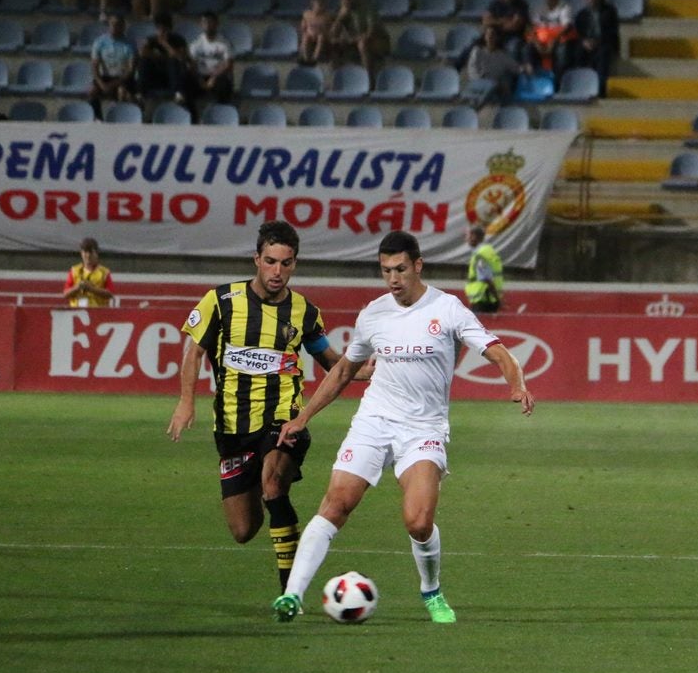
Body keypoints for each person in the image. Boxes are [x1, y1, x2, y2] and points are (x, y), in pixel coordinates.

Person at [270, 230, 534, 624]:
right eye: (385, 271)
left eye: (400, 269)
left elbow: (496, 350)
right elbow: (344, 369)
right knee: (336, 502)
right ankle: (292, 596)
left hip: (423, 427)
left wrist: (517, 384)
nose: (393, 279)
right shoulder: (374, 313)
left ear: (418, 266)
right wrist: (304, 416)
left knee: (419, 520)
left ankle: (432, 591)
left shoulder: (448, 309)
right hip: (374, 420)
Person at [166, 221, 347, 591]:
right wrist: (186, 401)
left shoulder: (304, 312)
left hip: (282, 419)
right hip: (232, 427)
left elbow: (331, 361)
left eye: (286, 262)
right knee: (243, 529)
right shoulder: (220, 300)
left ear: (295, 264)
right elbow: (194, 350)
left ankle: (289, 591)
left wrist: (367, 369)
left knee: (273, 483)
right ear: (256, 260)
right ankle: (288, 552)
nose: (278, 271)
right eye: (271, 261)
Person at [573, 0, 620, 87]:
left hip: (604, 42)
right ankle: (580, 84)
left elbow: (612, 32)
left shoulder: (609, 11)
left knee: (603, 53)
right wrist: (584, 41)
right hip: (587, 42)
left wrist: (597, 42)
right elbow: (577, 32)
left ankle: (600, 86)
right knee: (578, 51)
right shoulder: (581, 14)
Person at [90, 14, 138, 116]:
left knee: (122, 92)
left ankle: (120, 117)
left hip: (122, 78)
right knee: (92, 92)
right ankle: (98, 119)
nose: (115, 27)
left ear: (123, 27)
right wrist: (101, 83)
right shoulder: (99, 42)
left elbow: (130, 70)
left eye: (118, 25)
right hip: (105, 77)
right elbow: (95, 67)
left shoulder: (130, 43)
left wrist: (113, 84)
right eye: (112, 24)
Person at [188, 10, 235, 110]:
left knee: (223, 84)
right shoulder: (196, 43)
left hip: (217, 77)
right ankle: (191, 117)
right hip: (200, 77)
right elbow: (192, 64)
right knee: (185, 81)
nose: (208, 25)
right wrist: (199, 79)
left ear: (216, 24)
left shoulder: (224, 43)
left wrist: (213, 78)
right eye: (205, 22)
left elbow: (228, 64)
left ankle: (221, 113)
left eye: (210, 22)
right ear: (201, 24)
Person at [63, 237, 114, 308]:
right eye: (85, 252)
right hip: (77, 312)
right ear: (81, 253)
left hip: (98, 312)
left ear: (96, 253)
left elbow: (110, 294)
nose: (88, 255)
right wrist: (77, 287)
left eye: (91, 252)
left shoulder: (104, 272)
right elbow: (65, 294)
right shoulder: (74, 270)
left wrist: (91, 289)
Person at [464, 224, 503, 313]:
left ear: (474, 236)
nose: (466, 239)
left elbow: (486, 278)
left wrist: (499, 301)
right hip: (488, 298)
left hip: (483, 300)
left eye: (467, 236)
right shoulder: (489, 251)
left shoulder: (480, 254)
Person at [297, 0, 331, 65]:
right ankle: (305, 58)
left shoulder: (327, 16)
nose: (323, 7)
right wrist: (307, 33)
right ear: (313, 5)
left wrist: (323, 34)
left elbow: (328, 29)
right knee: (305, 37)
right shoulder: (307, 14)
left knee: (321, 37)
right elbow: (303, 28)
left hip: (322, 37)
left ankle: (315, 58)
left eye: (324, 4)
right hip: (310, 35)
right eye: (320, 5)